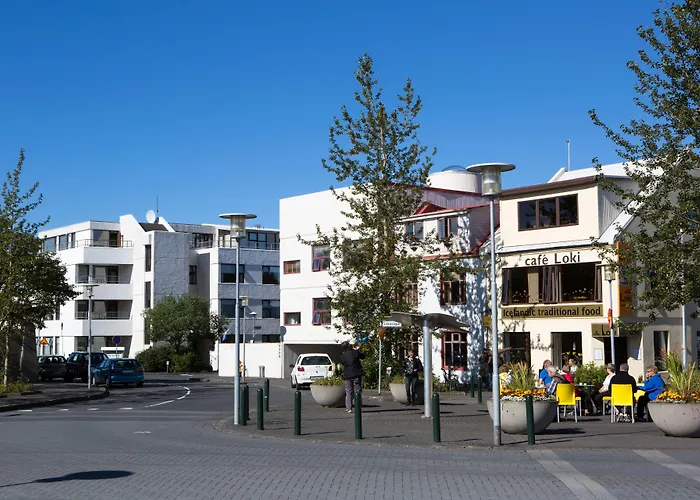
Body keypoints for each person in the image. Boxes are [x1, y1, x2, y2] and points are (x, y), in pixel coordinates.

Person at [340, 341, 365, 413]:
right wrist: (358, 350)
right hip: (356, 374)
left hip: (347, 375)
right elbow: (363, 356)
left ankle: (349, 408)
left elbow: (342, 362)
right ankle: (358, 407)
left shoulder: (343, 356)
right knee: (357, 391)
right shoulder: (355, 352)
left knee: (348, 392)